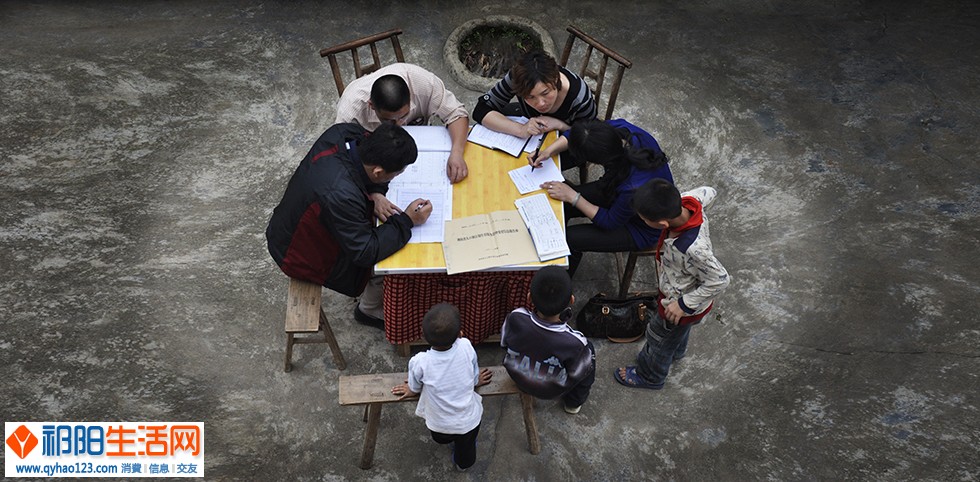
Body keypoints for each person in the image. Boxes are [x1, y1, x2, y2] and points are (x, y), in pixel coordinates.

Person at [265, 122, 433, 320]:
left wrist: (376, 191)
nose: (396, 177)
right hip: (297, 251)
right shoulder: (341, 194)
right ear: (378, 172)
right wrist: (407, 221)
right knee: (392, 262)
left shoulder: (344, 133)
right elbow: (365, 251)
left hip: (297, 223)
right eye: (396, 174)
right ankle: (368, 311)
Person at [613, 180, 730, 390]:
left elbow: (721, 279)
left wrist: (683, 305)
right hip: (688, 303)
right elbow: (710, 191)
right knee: (676, 334)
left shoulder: (693, 249)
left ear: (662, 224)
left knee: (658, 338)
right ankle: (676, 351)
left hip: (678, 305)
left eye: (644, 220)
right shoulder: (690, 201)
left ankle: (651, 376)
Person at [536, 119, 674, 276]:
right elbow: (580, 133)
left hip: (639, 227)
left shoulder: (632, 187)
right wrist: (547, 151)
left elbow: (610, 221)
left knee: (569, 240)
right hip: (616, 189)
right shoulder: (617, 132)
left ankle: (561, 288)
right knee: (561, 201)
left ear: (598, 161)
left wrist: (574, 196)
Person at [392, 303, 493, 471]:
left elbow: (416, 386)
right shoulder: (466, 347)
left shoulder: (420, 361)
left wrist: (411, 390)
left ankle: (448, 441)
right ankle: (462, 465)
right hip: (469, 422)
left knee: (440, 438)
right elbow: (474, 372)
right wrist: (476, 381)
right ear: (461, 334)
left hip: (439, 425)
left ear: (423, 336)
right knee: (466, 449)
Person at [335, 63, 470, 187]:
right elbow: (342, 153)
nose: (399, 125)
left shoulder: (424, 84)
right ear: (372, 106)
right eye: (389, 121)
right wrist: (374, 191)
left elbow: (456, 113)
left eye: (404, 116)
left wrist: (457, 153)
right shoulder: (350, 112)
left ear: (411, 97)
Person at [472, 50, 597, 163]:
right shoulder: (517, 78)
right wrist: (521, 129)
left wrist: (560, 125)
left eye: (545, 93)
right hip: (528, 128)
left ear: (556, 80)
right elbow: (481, 109)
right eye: (530, 97)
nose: (540, 104)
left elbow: (589, 136)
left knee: (520, 167)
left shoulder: (580, 98)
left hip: (570, 141)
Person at [500, 266, 595, 414]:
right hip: (552, 391)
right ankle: (573, 403)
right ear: (572, 300)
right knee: (589, 354)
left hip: (517, 377)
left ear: (529, 297)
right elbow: (578, 374)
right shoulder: (576, 342)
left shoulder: (515, 317)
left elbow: (504, 344)